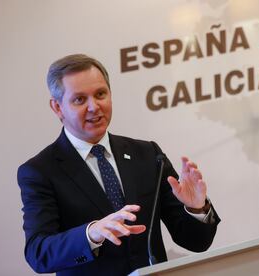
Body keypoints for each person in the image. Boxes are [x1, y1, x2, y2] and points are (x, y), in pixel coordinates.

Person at [17, 54, 220, 276]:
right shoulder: (41, 171)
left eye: (100, 94)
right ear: (57, 107)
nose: (94, 107)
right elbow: (39, 253)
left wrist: (196, 208)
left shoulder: (147, 154)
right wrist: (91, 233)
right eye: (79, 100)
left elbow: (196, 242)